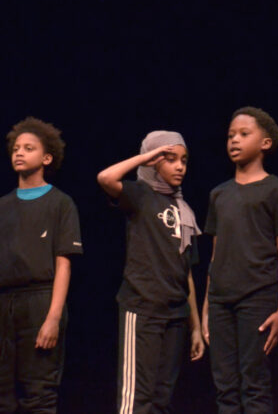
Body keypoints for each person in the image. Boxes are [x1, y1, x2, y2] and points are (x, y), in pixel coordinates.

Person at [97, 131, 205, 414]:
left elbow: (187, 274)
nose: (180, 166)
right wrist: (145, 158)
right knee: (136, 401)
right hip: (143, 309)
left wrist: (195, 327)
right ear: (154, 162)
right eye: (170, 159)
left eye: (183, 160)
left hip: (176, 315)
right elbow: (106, 178)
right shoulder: (140, 195)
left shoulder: (185, 211)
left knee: (161, 401)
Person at [0, 117, 83, 413]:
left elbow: (63, 264)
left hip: (40, 299)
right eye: (16, 148)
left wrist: (53, 317)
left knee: (39, 392)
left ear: (47, 157)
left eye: (29, 148)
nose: (19, 152)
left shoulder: (61, 203)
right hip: (1, 304)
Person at [201, 107, 278, 413]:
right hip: (220, 300)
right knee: (225, 386)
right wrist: (206, 307)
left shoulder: (277, 191)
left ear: (265, 143)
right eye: (230, 136)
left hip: (257, 296)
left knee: (254, 385)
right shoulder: (219, 194)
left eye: (243, 134)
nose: (234, 141)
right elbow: (216, 253)